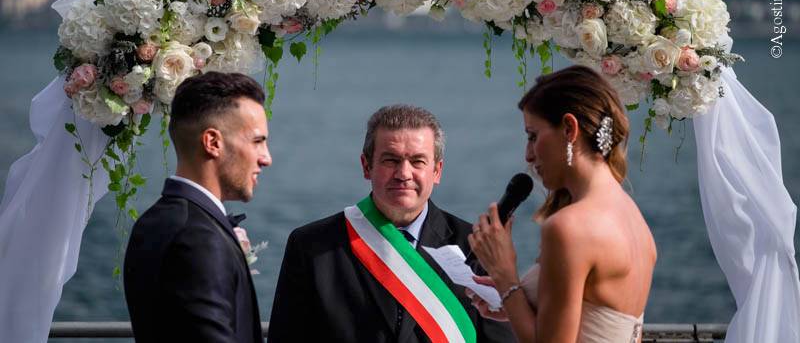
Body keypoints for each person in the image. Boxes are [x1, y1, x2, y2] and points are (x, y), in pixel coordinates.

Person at [268, 104, 513, 343]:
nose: (404, 173)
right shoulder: (313, 246)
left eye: (418, 161)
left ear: (437, 171)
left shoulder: (476, 244)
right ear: (366, 166)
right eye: (390, 160)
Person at [468, 65, 657, 343]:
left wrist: (504, 273)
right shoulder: (632, 218)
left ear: (569, 128)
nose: (528, 155)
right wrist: (515, 301)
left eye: (533, 135)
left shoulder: (570, 227)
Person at [124, 71, 271, 342]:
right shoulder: (198, 238)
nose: (266, 158)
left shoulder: (152, 221)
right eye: (257, 142)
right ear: (213, 142)